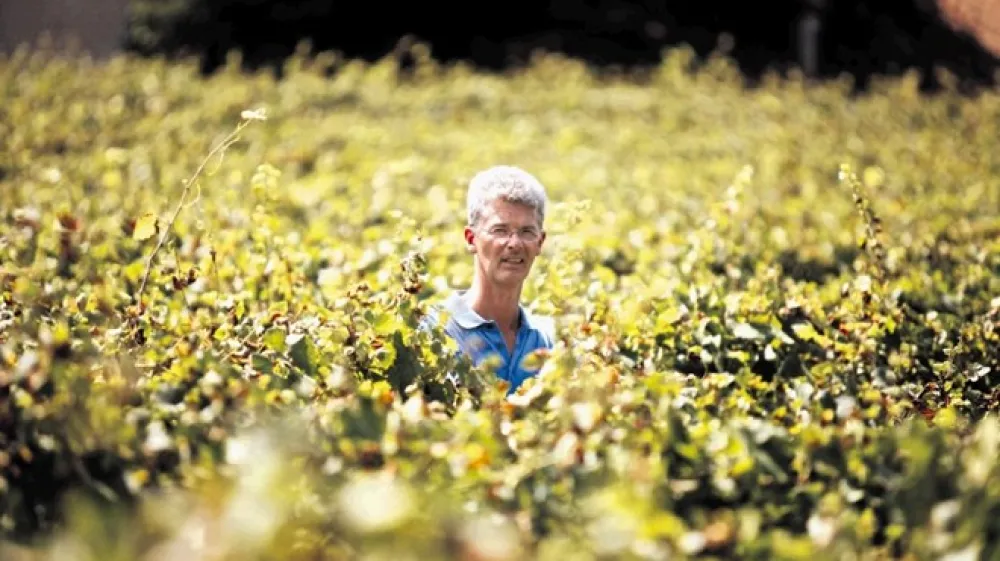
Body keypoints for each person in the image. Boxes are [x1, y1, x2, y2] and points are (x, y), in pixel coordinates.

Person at [423, 165, 556, 395]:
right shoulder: (433, 333)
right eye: (500, 230)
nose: (514, 243)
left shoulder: (549, 340)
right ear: (471, 239)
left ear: (540, 242)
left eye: (527, 232)